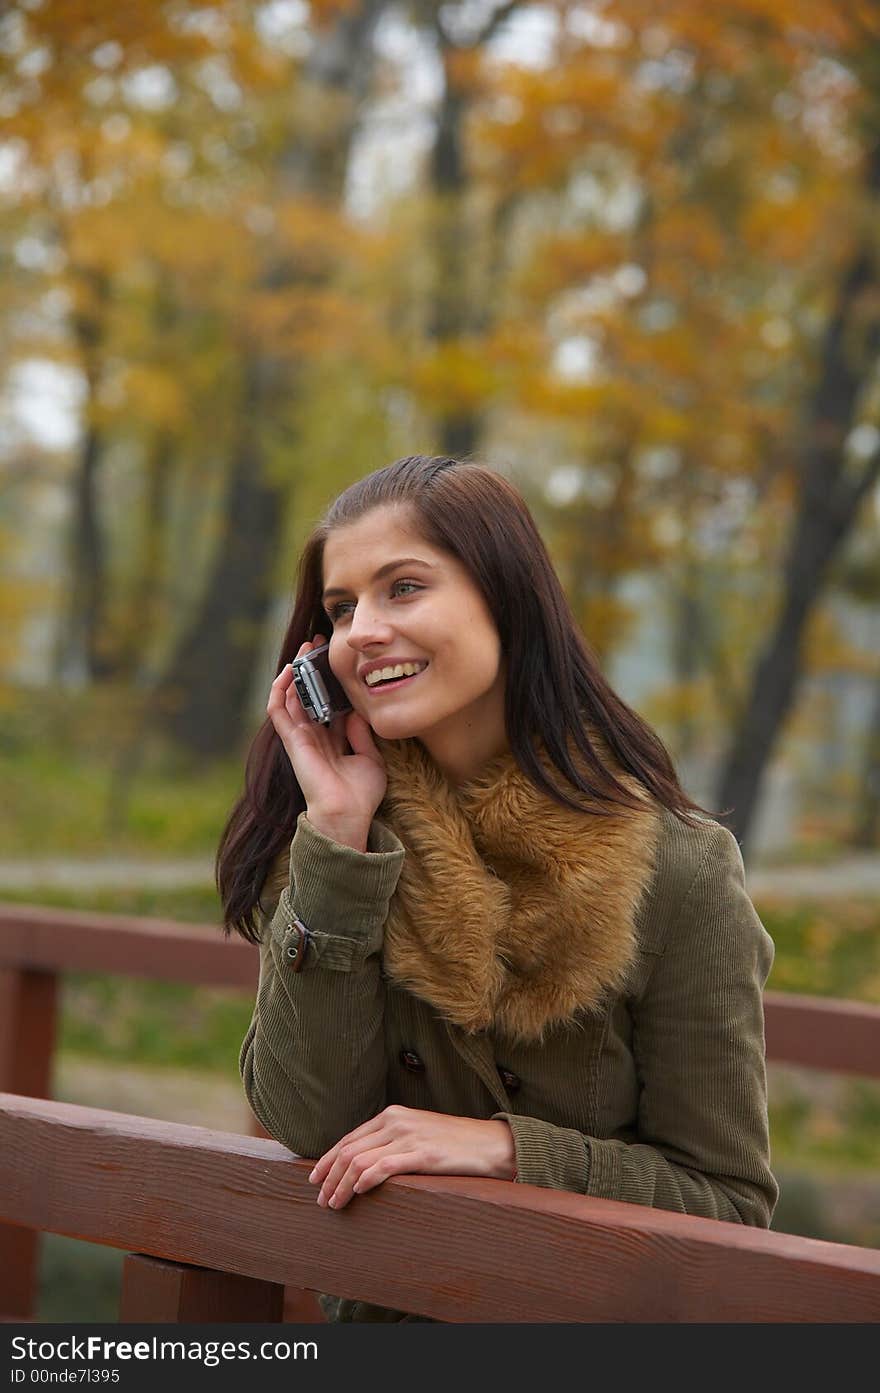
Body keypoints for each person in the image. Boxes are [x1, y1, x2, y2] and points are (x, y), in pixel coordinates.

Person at [216, 454, 778, 1322]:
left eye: (404, 587)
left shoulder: (681, 869)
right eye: (341, 608)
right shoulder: (344, 845)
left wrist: (509, 1149)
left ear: (506, 599)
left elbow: (729, 1204)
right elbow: (305, 1120)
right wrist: (335, 834)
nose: (362, 629)